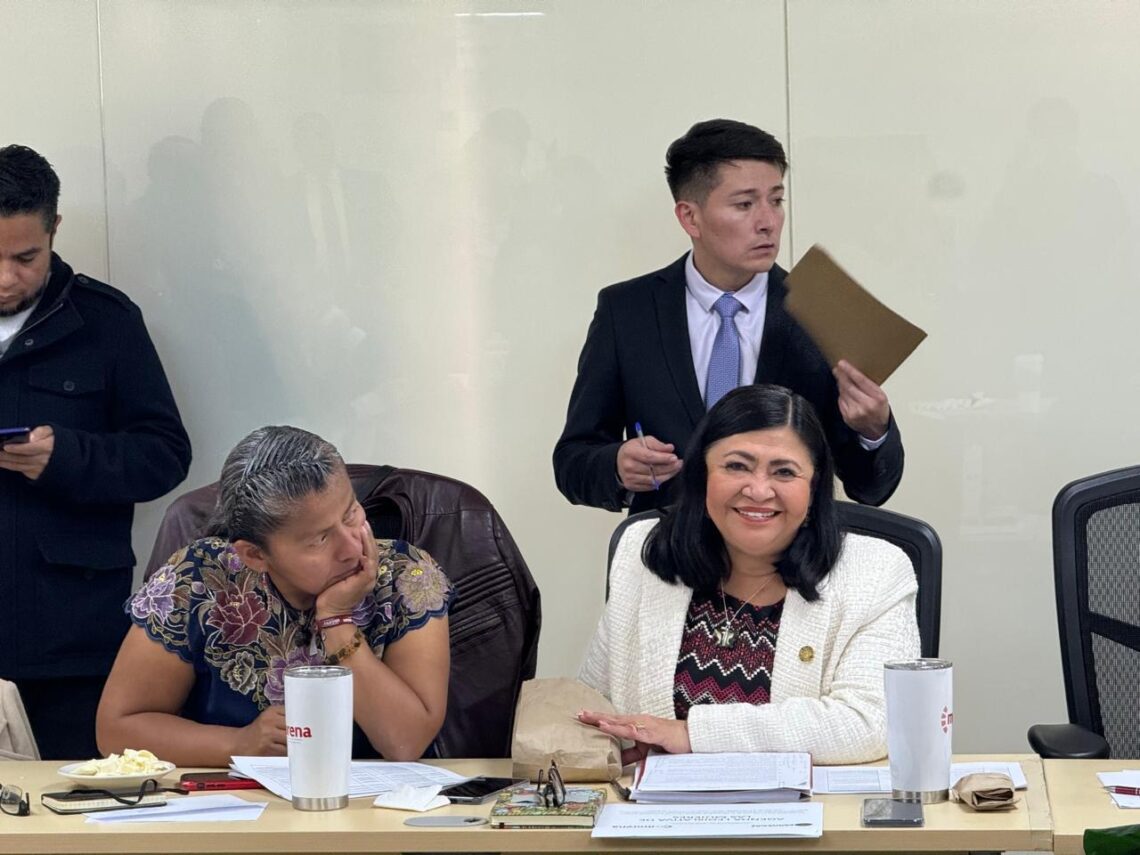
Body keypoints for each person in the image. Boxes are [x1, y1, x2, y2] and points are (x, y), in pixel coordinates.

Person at [554, 119, 904, 514]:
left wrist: (872, 431)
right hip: (669, 544)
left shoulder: (821, 310)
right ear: (690, 217)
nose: (768, 222)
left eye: (776, 200)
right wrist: (616, 465)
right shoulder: (627, 311)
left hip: (788, 547)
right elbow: (572, 462)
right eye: (744, 204)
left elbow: (871, 489)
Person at [578, 385, 919, 764]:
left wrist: (692, 734)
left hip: (812, 802)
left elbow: (869, 722)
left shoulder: (875, 571)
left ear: (813, 487)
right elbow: (595, 702)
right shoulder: (642, 552)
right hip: (654, 801)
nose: (758, 490)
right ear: (702, 475)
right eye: (736, 466)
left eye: (784, 472)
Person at [97, 426, 452, 765]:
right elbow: (117, 729)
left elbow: (406, 741)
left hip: (374, 802)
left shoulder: (406, 575)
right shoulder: (199, 579)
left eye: (351, 514)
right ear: (255, 554)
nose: (351, 547)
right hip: (236, 801)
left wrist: (337, 622)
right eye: (319, 540)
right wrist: (237, 744)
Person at [0, 144, 191, 760]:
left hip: (71, 641)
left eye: (25, 257)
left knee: (79, 803)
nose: (6, 278)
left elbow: (165, 454)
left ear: (54, 228)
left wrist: (67, 458)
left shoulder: (106, 321)